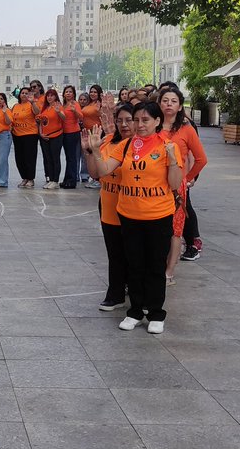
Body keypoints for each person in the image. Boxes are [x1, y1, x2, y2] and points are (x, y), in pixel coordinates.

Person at [87, 101, 183, 334]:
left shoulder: (168, 146)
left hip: (158, 214)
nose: (139, 125)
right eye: (136, 120)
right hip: (129, 214)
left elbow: (174, 183)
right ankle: (136, 311)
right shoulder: (128, 145)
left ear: (157, 121)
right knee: (134, 264)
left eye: (145, 120)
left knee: (155, 265)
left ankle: (156, 312)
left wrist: (171, 160)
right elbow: (103, 170)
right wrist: (96, 150)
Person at [85, 102, 134, 310]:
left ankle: (135, 290)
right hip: (108, 204)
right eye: (119, 120)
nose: (124, 125)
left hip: (133, 208)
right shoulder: (107, 143)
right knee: (114, 253)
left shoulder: (141, 147)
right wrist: (89, 151)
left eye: (129, 120)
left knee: (133, 253)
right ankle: (115, 293)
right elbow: (96, 173)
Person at [159, 87, 208, 279]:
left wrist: (187, 179)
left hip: (176, 188)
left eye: (173, 101)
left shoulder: (186, 130)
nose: (169, 104)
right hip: (153, 185)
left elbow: (201, 159)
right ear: (159, 104)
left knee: (175, 230)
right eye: (165, 100)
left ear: (180, 106)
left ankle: (169, 272)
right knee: (157, 228)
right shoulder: (151, 128)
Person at [10, 87, 40, 188]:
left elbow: (37, 112)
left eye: (26, 93)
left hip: (30, 135)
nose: (24, 95)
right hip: (17, 135)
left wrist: (33, 103)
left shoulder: (31, 104)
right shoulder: (15, 106)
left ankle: (31, 178)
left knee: (30, 158)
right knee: (19, 158)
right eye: (22, 93)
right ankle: (24, 177)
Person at [36, 87, 65, 190]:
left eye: (52, 95)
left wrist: (58, 112)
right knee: (48, 159)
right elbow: (40, 122)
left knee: (55, 158)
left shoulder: (58, 106)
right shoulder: (45, 108)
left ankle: (55, 180)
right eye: (48, 95)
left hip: (56, 135)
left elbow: (64, 118)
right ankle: (51, 179)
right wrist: (41, 133)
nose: (49, 97)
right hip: (45, 136)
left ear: (55, 97)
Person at [59, 85, 85, 189]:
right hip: (64, 133)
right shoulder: (63, 105)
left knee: (72, 158)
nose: (68, 93)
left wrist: (74, 111)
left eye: (70, 92)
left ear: (73, 94)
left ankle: (72, 181)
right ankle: (67, 179)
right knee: (68, 157)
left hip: (73, 132)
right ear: (64, 94)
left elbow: (81, 117)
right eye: (66, 92)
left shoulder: (75, 104)